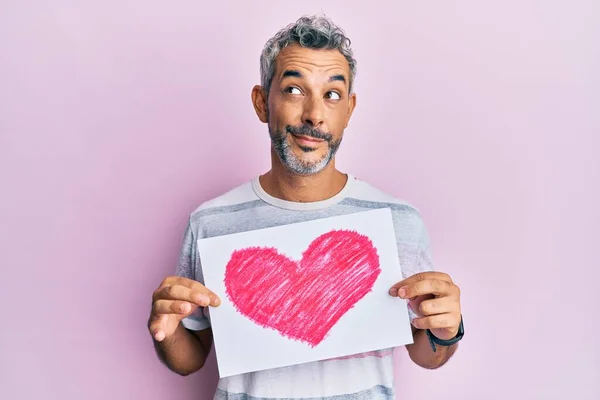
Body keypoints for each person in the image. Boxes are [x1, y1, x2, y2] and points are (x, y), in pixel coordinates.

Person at [148, 14, 463, 400]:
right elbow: (190, 358)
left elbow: (426, 353)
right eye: (295, 90)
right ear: (262, 103)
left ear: (348, 110)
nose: (314, 114)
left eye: (331, 95)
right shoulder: (210, 222)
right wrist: (166, 329)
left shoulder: (398, 221)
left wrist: (446, 330)